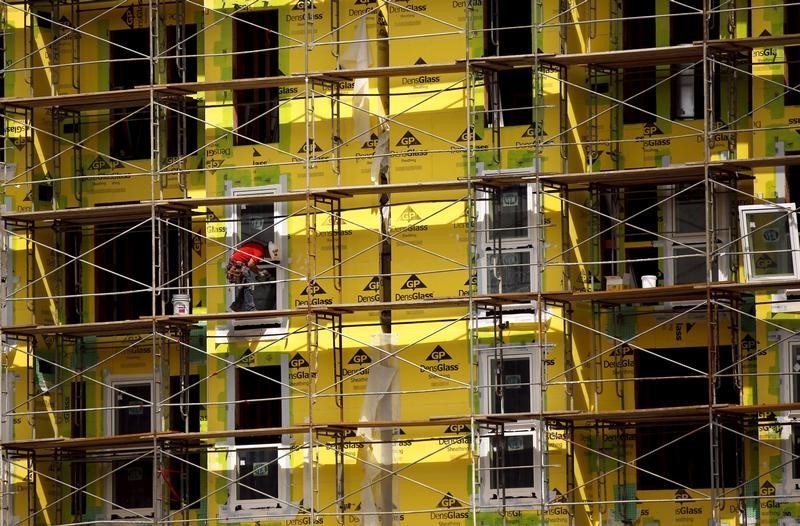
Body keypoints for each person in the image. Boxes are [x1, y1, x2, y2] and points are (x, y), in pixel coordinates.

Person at [227, 240, 278, 312]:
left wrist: (259, 271)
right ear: (268, 251)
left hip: (234, 262)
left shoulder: (259, 248)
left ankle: (236, 305)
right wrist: (259, 272)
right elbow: (251, 264)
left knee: (244, 286)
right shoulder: (260, 252)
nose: (268, 257)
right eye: (269, 255)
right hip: (237, 264)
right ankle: (250, 307)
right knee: (249, 285)